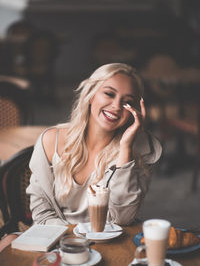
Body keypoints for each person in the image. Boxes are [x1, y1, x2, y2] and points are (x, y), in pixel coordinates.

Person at [0, 63, 162, 251]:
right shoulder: (51, 140)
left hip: (109, 244)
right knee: (6, 244)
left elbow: (122, 219)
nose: (116, 106)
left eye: (127, 102)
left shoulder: (140, 150)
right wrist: (74, 240)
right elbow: (41, 215)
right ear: (91, 94)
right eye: (109, 94)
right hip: (54, 237)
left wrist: (125, 148)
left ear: (134, 110)